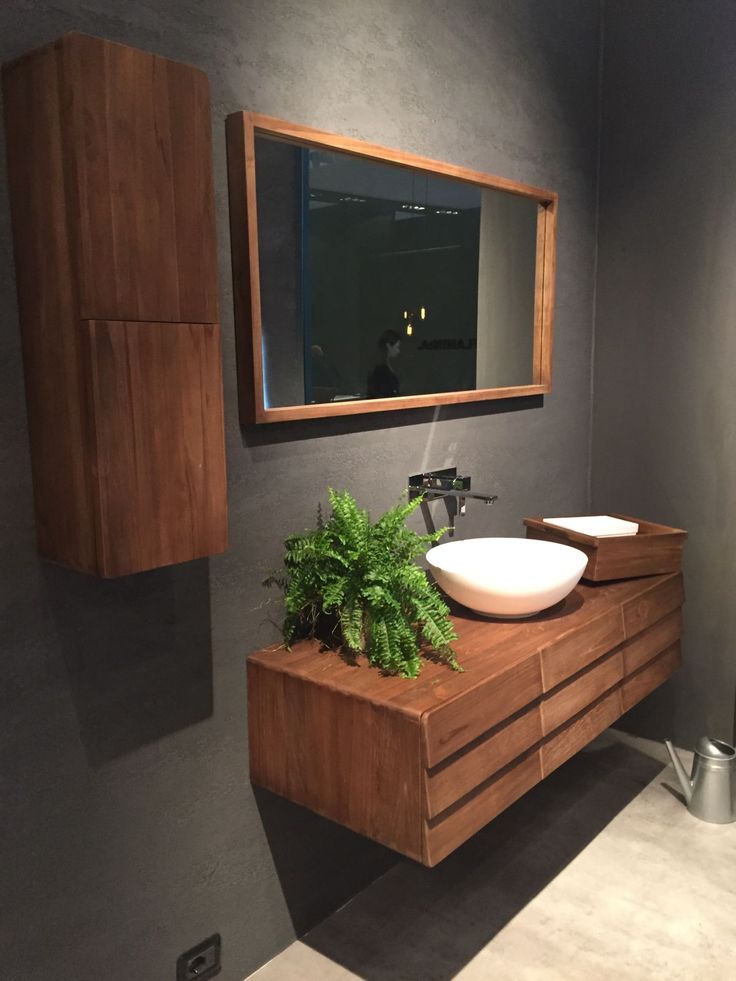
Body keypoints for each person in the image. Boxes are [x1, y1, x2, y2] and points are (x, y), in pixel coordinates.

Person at [366, 329, 401, 398]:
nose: (398, 351)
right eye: (397, 347)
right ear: (388, 346)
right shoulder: (380, 369)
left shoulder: (383, 365)